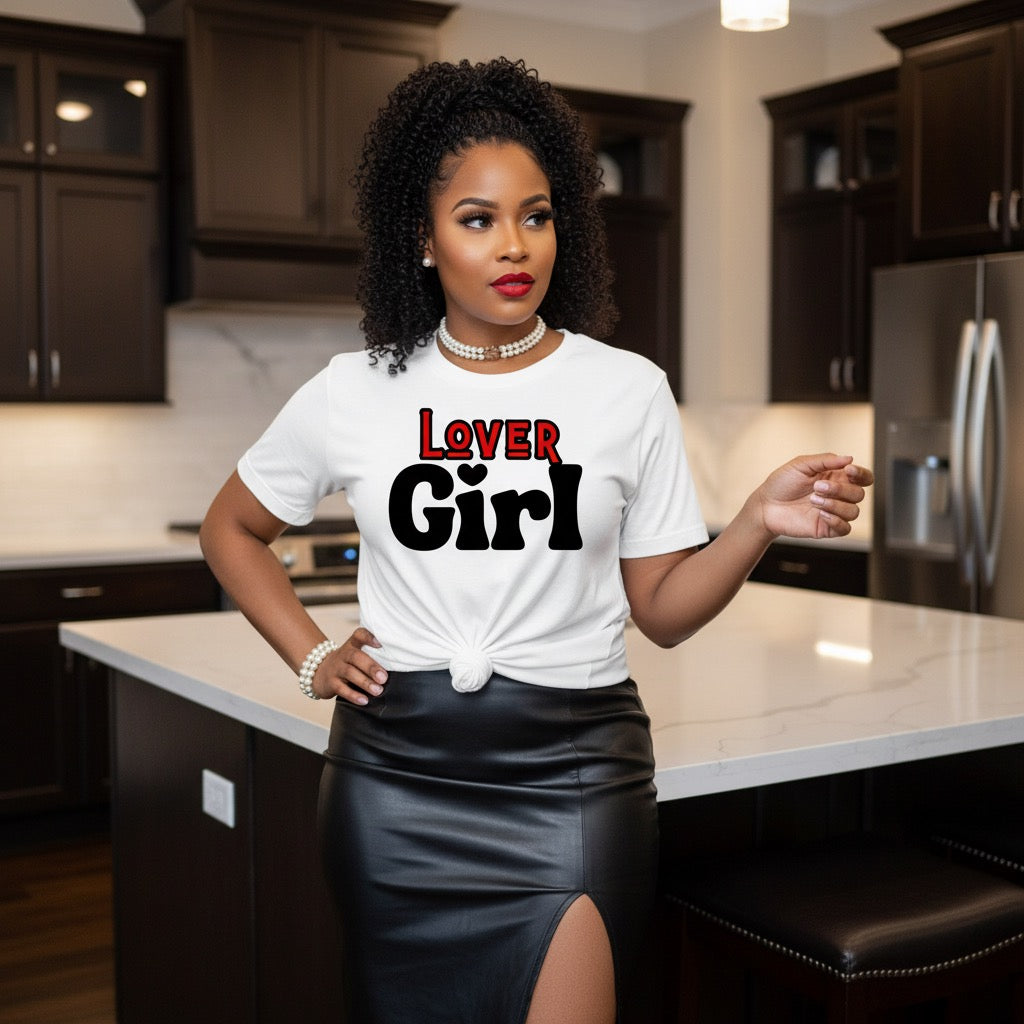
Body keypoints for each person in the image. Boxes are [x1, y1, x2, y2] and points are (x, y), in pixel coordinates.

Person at [199, 57, 873, 1024]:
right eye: (477, 219)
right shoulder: (355, 390)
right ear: (423, 241)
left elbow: (665, 614)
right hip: (393, 781)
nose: (515, 245)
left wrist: (755, 523)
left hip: (572, 776)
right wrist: (310, 656)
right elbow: (232, 528)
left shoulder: (625, 387)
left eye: (538, 213)